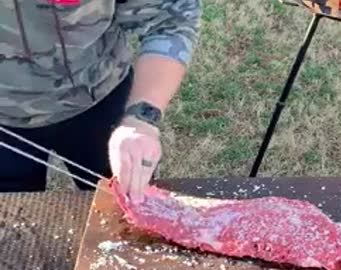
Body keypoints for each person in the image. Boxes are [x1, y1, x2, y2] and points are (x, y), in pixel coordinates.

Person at [0, 0, 201, 204]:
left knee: (127, 205)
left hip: (99, 97)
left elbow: (170, 19)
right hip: (4, 122)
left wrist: (140, 119)